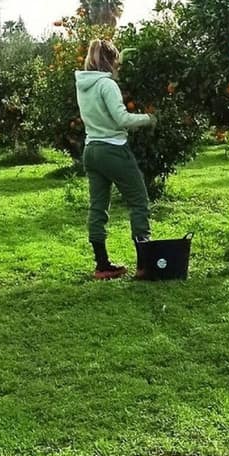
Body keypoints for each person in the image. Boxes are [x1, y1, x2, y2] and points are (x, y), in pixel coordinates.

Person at [74, 39, 157, 279]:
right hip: (113, 150)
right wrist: (149, 119)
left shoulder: (83, 84)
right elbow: (122, 120)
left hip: (91, 150)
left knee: (98, 207)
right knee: (139, 201)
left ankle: (102, 265)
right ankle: (144, 265)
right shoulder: (106, 85)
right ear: (111, 61)